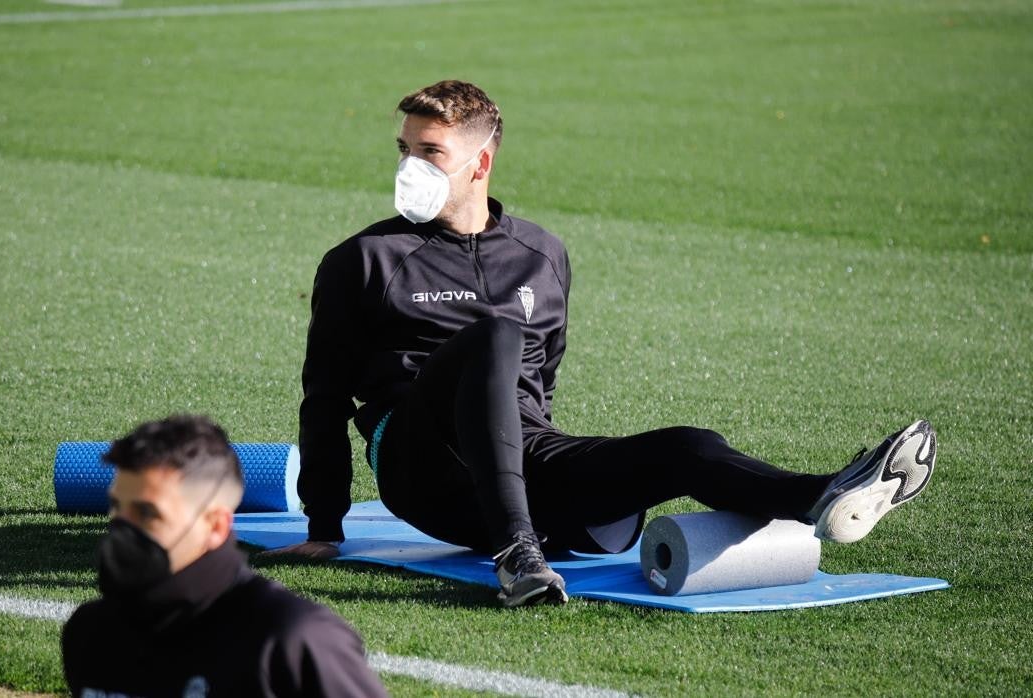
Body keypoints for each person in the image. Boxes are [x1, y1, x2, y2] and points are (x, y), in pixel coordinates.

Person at [268, 80, 937, 608]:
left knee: (687, 445)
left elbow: (539, 388)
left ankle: (819, 497)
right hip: (420, 469)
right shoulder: (363, 260)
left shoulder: (542, 254)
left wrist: (548, 467)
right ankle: (517, 554)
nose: (411, 166)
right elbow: (324, 398)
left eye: (431, 152)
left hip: (517, 456)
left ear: (482, 162)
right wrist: (324, 526)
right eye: (405, 150)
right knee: (495, 335)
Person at [61, 414, 388, 697]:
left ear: (216, 525)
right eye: (117, 507)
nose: (122, 528)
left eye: (147, 514)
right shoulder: (93, 635)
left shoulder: (290, 639)